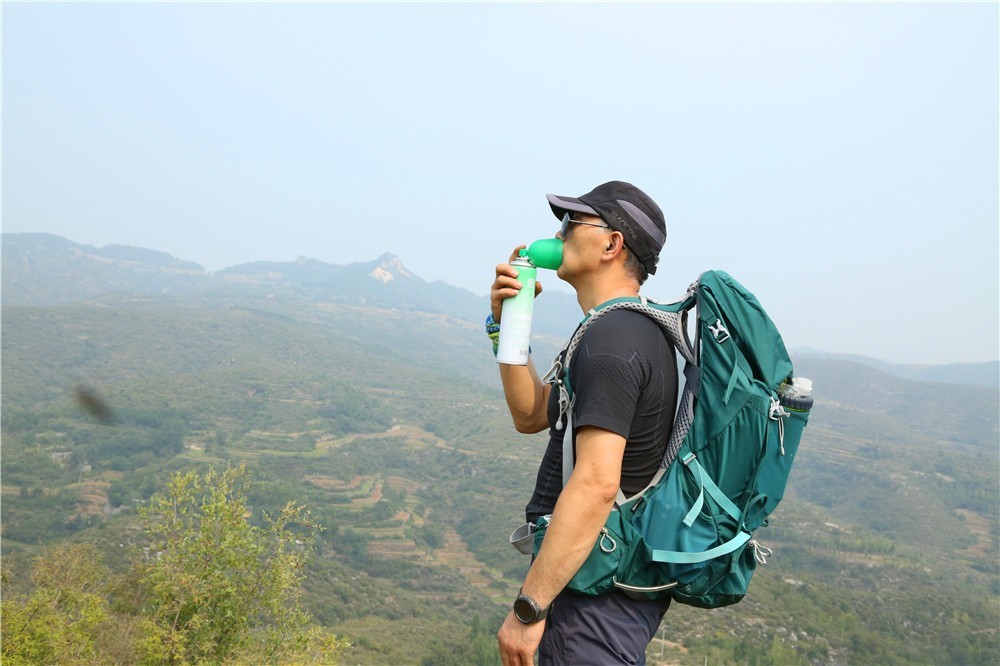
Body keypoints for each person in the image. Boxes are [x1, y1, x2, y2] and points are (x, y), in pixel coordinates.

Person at [491, 181, 678, 666]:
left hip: (590, 602)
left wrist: (527, 612)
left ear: (612, 244)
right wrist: (506, 323)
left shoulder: (612, 342)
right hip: (602, 589)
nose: (560, 233)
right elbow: (530, 415)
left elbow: (597, 483)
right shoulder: (626, 329)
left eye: (573, 223)